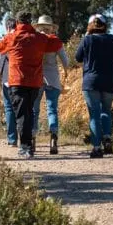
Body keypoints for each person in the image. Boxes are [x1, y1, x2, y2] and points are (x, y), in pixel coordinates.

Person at [0, 11, 64, 158]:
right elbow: (57, 43)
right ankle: (28, 145)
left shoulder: (12, 37)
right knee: (29, 112)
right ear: (30, 22)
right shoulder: (40, 38)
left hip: (17, 81)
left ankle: (26, 147)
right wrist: (49, 34)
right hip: (34, 82)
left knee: (22, 114)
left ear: (18, 22)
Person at [75, 14, 113, 158]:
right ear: (105, 25)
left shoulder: (87, 40)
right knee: (106, 110)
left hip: (91, 82)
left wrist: (86, 37)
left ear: (90, 25)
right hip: (110, 81)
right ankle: (107, 138)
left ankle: (97, 147)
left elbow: (78, 57)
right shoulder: (112, 39)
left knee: (94, 115)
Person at [33, 15, 70, 156]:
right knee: (52, 109)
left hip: (36, 78)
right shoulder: (55, 42)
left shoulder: (35, 41)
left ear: (39, 27)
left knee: (34, 110)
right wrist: (66, 73)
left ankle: (32, 138)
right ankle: (53, 138)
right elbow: (65, 62)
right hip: (53, 79)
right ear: (51, 28)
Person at [0, 14, 18, 146]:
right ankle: (27, 137)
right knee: (22, 108)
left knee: (9, 108)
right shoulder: (22, 40)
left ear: (7, 27)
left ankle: (12, 139)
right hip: (22, 80)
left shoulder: (5, 40)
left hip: (8, 80)